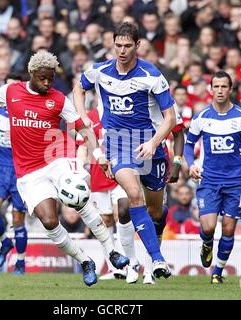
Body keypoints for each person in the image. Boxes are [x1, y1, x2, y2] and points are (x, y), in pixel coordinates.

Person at [0, 51, 129, 287]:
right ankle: (85, 261)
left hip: (56, 159)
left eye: (51, 78)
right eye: (43, 78)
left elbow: (83, 128)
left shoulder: (59, 99)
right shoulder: (11, 92)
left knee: (78, 197)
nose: (47, 83)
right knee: (49, 221)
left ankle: (111, 251)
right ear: (32, 74)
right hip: (29, 172)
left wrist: (98, 155)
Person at [73, 22, 177, 279]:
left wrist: (154, 143)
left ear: (137, 45)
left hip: (149, 144)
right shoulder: (100, 70)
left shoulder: (151, 75)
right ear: (112, 43)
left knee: (154, 210)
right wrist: (83, 114)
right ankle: (157, 260)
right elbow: (79, 87)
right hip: (118, 142)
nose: (122, 50)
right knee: (133, 195)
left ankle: (156, 233)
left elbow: (170, 118)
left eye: (127, 45)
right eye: (118, 45)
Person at [184, 71, 241, 284]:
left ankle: (217, 271)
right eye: (216, 86)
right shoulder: (201, 117)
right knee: (208, 227)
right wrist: (190, 165)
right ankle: (207, 243)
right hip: (209, 179)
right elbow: (189, 145)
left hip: (235, 180)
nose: (219, 91)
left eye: (224, 87)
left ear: (230, 89)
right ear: (210, 89)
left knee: (228, 227)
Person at [0, 73, 29, 275]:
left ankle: (20, 261)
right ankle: (4, 243)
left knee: (18, 219)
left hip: (23, 170)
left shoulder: (29, 113)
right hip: (1, 168)